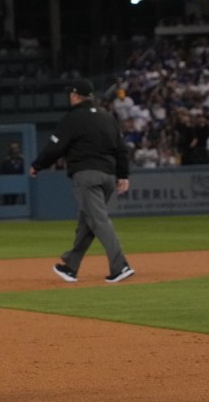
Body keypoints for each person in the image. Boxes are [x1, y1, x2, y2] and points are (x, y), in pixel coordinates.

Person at [30, 79, 134, 284]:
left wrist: (38, 165)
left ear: (75, 96)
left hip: (86, 175)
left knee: (98, 221)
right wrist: (123, 175)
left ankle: (120, 265)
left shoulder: (73, 118)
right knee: (87, 222)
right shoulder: (107, 117)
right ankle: (71, 266)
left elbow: (55, 146)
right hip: (108, 176)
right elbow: (122, 148)